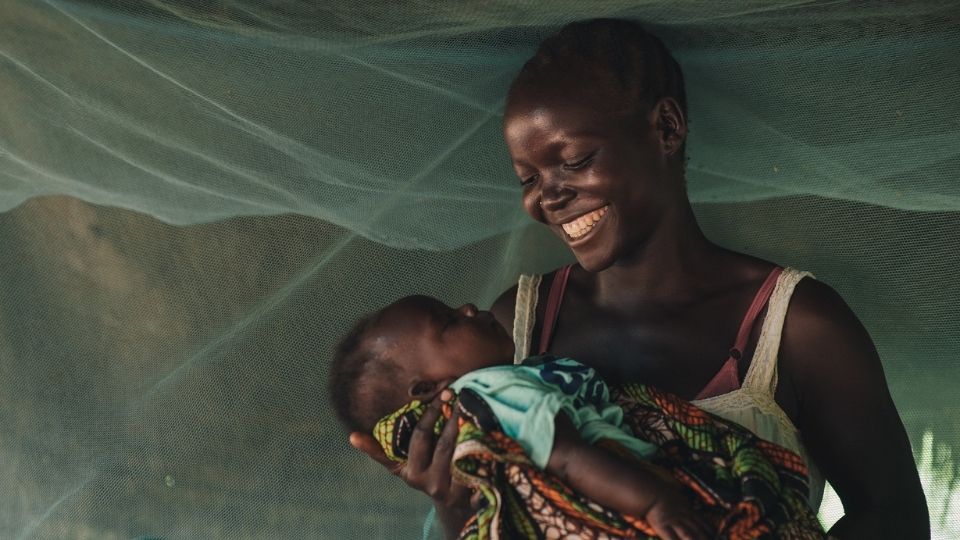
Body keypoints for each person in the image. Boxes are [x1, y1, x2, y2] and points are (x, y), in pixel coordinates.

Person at [349, 18, 928, 538]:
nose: (547, 198)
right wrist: (454, 503)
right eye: (527, 178)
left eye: (573, 161)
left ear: (667, 128)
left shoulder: (797, 325)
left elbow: (896, 519)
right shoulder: (515, 324)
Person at [330, 295, 824, 539]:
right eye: (447, 321)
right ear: (430, 391)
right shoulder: (487, 390)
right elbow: (566, 457)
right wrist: (657, 504)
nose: (467, 306)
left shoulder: (511, 383)